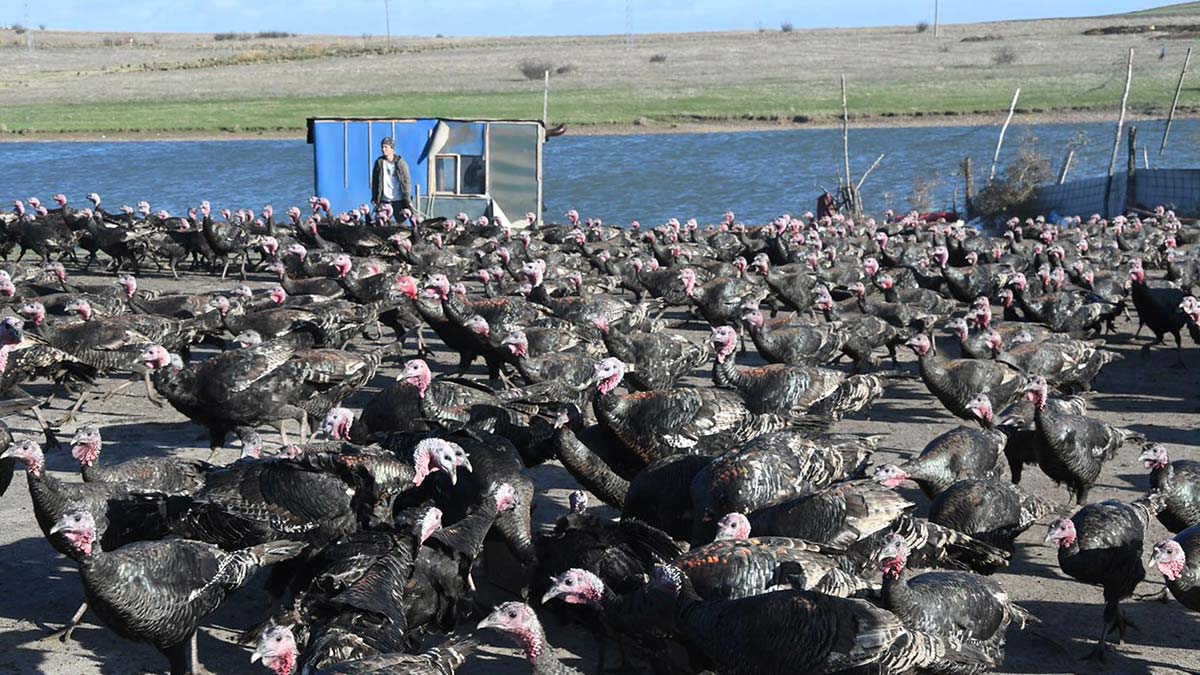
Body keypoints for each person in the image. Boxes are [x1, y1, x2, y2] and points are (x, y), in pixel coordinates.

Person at [371, 137, 412, 218]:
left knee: (401, 224)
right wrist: (375, 197)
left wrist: (407, 200)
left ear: (392, 148)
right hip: (384, 201)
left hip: (398, 201)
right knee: (381, 224)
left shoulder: (400, 163)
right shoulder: (379, 163)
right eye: (382, 147)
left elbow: (406, 182)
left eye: (386, 147)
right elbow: (375, 182)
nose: (383, 149)